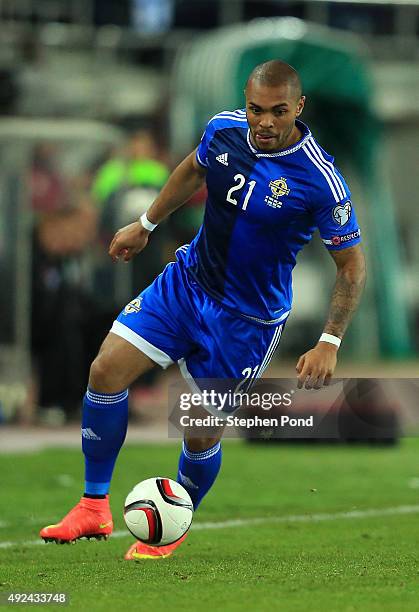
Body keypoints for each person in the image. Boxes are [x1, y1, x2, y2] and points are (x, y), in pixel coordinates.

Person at [40, 60, 366, 559]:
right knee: (105, 371)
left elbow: (351, 267)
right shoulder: (223, 129)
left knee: (198, 428)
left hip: (246, 321)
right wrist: (145, 224)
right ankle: (92, 505)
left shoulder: (321, 179)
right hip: (187, 284)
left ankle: (174, 521)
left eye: (279, 111)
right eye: (257, 109)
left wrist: (329, 341)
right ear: (246, 101)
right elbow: (194, 168)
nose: (266, 123)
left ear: (298, 107)